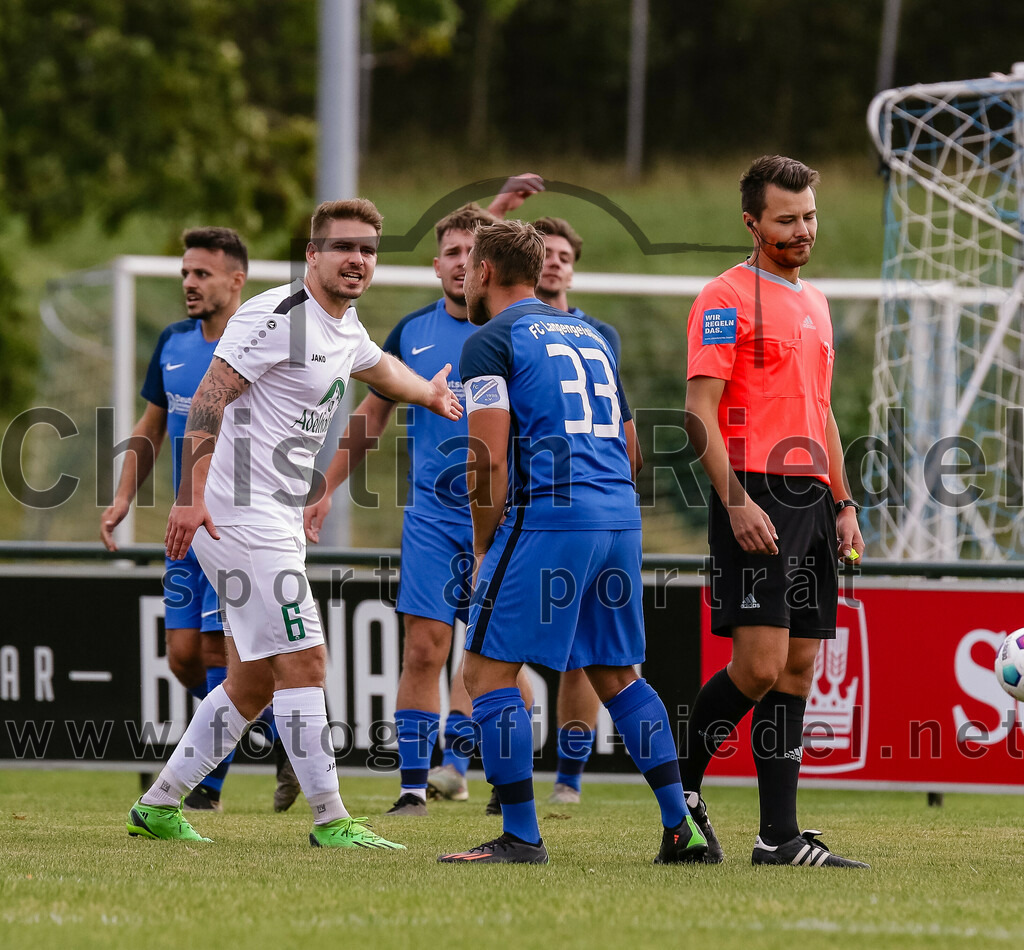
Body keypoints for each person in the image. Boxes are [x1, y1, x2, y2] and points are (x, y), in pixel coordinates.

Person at [126, 198, 462, 849]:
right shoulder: (279, 315)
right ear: (312, 256)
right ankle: (332, 818)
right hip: (236, 515)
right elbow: (208, 398)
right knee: (306, 659)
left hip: (271, 517)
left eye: (367, 249)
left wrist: (427, 391)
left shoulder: (343, 324)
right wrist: (191, 500)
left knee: (253, 679)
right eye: (343, 247)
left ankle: (160, 805)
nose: (357, 259)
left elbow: (377, 366)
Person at [437, 220, 706, 864]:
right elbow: (633, 448)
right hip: (617, 514)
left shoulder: (490, 341)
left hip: (550, 515)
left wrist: (481, 547)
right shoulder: (591, 335)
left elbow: (489, 462)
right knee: (618, 673)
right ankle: (682, 826)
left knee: (485, 671)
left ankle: (521, 836)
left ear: (484, 273)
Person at [304, 185, 541, 819]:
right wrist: (325, 488)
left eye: (473, 251)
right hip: (435, 519)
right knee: (424, 648)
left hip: (507, 513)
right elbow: (370, 416)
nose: (462, 261)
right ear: (436, 264)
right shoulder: (412, 330)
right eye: (451, 251)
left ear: (485, 262)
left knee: (497, 654)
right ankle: (413, 787)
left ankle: (488, 778)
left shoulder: (516, 330)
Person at [680, 155, 868, 868]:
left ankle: (778, 838)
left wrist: (843, 504)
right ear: (752, 222)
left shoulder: (814, 303)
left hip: (813, 499)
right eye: (786, 219)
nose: (802, 230)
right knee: (755, 669)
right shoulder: (725, 298)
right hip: (753, 489)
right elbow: (697, 413)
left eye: (810, 216)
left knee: (796, 671)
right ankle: (682, 797)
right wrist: (735, 502)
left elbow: (820, 413)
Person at [101, 226, 249, 811]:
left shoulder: (254, 344)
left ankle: (203, 789)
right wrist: (122, 497)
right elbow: (150, 427)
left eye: (202, 273)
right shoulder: (174, 341)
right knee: (183, 656)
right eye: (185, 272)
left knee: (216, 653)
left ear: (236, 281)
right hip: (181, 522)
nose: (189, 283)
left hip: (232, 522)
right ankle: (249, 718)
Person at [531, 215, 628, 806]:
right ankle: (487, 775)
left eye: (565, 253)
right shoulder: (504, 327)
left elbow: (623, 424)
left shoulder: (600, 335)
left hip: (586, 505)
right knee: (494, 644)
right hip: (533, 504)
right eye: (544, 251)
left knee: (584, 652)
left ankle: (567, 779)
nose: (555, 261)